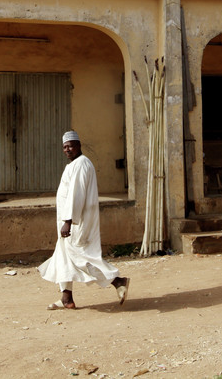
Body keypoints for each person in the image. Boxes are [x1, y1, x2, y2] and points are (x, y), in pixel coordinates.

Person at [38, 130, 129, 310]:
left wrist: (68, 221)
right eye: (65, 147)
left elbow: (76, 195)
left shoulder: (81, 164)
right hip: (68, 222)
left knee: (81, 258)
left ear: (79, 145)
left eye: (71, 145)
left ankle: (118, 281)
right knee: (63, 257)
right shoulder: (72, 165)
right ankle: (66, 299)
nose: (67, 149)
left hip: (77, 223)